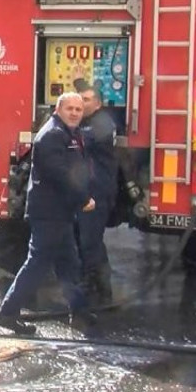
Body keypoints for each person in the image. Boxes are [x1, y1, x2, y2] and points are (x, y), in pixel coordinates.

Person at [0, 92, 94, 336]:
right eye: (69, 108)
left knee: (68, 262)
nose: (74, 113)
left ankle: (78, 311)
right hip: (49, 213)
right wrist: (83, 199)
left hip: (60, 212)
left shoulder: (68, 133)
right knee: (37, 264)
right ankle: (7, 314)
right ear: (58, 110)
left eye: (78, 110)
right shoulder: (51, 135)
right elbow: (60, 175)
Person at [77, 86, 118, 305]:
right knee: (89, 240)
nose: (82, 104)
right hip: (88, 190)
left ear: (98, 104)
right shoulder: (90, 122)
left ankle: (93, 288)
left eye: (87, 100)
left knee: (89, 241)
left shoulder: (102, 124)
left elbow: (81, 140)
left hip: (98, 192)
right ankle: (101, 290)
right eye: (79, 99)